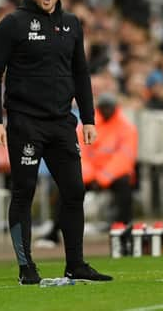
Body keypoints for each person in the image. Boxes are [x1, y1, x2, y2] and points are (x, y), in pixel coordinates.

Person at [0, 0, 112, 284]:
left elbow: (81, 73)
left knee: (74, 191)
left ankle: (76, 264)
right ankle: (27, 267)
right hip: (26, 121)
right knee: (24, 190)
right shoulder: (13, 23)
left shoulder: (71, 24)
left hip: (61, 122)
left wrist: (88, 119)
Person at [36, 92, 138, 247]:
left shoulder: (127, 128)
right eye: (103, 107)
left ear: (115, 108)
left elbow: (125, 158)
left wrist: (103, 176)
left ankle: (123, 232)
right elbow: (77, 152)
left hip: (111, 175)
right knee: (65, 187)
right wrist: (89, 175)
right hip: (90, 174)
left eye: (109, 107)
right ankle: (54, 232)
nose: (106, 110)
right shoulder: (87, 125)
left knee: (125, 186)